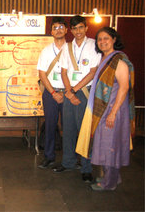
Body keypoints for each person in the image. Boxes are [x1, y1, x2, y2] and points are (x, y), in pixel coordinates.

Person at [76, 27, 135, 191]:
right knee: (106, 144)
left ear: (114, 39)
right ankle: (113, 176)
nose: (102, 42)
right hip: (103, 110)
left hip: (112, 110)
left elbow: (124, 88)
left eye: (106, 38)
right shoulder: (105, 59)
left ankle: (109, 183)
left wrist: (113, 113)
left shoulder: (119, 61)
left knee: (110, 146)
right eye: (100, 39)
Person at [52, 15, 101, 183]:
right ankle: (68, 162)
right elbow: (64, 72)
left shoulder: (94, 45)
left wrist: (74, 90)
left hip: (84, 92)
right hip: (69, 92)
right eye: (74, 28)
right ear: (70, 30)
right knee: (69, 129)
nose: (78, 31)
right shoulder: (68, 46)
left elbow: (93, 72)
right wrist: (69, 92)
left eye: (81, 27)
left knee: (84, 131)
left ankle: (86, 168)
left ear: (86, 28)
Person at [37, 17, 67, 169]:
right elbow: (42, 74)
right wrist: (54, 93)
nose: (58, 30)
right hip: (50, 92)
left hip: (69, 93)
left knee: (70, 126)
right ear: (51, 32)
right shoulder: (46, 50)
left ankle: (70, 159)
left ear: (66, 30)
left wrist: (68, 91)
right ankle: (49, 157)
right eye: (55, 28)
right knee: (49, 124)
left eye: (61, 27)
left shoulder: (72, 49)